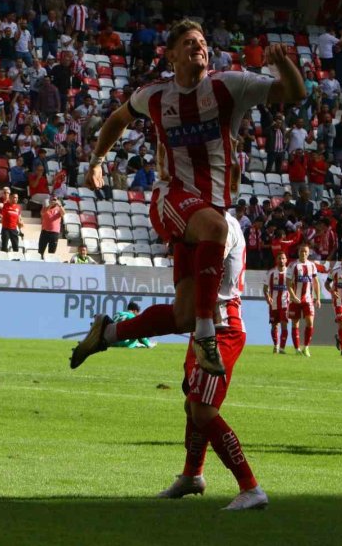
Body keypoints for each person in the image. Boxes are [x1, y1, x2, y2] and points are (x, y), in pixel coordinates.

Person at [71, 19, 306, 376]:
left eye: (202, 42)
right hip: (170, 199)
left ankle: (106, 333)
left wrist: (283, 63)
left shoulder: (229, 85)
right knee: (218, 229)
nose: (199, 46)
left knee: (183, 317)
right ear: (171, 56)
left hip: (207, 212)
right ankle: (207, 335)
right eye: (189, 42)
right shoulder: (155, 95)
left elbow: (294, 93)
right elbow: (118, 118)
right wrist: (97, 161)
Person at [157, 212, 268, 511]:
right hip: (205, 325)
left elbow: (209, 271)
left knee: (203, 411)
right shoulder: (209, 221)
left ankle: (251, 487)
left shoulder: (221, 226)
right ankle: (192, 476)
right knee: (192, 406)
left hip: (222, 326)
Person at [287, 243, 321, 356]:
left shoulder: (312, 265)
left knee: (310, 322)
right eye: (302, 251)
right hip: (295, 299)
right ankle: (297, 349)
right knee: (295, 323)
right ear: (298, 252)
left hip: (308, 299)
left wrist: (318, 298)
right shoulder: (293, 265)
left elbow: (316, 282)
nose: (304, 253)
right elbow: (288, 283)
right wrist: (293, 296)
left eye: (306, 251)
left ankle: (306, 347)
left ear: (308, 253)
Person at [263, 252, 290, 354]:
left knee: (284, 325)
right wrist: (268, 297)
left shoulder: (290, 273)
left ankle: (282, 348)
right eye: (279, 258)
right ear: (276, 260)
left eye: (283, 258)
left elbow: (293, 287)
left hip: (285, 303)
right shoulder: (270, 273)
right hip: (273, 304)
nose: (281, 260)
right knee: (274, 326)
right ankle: (276, 345)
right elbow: (265, 288)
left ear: (286, 260)